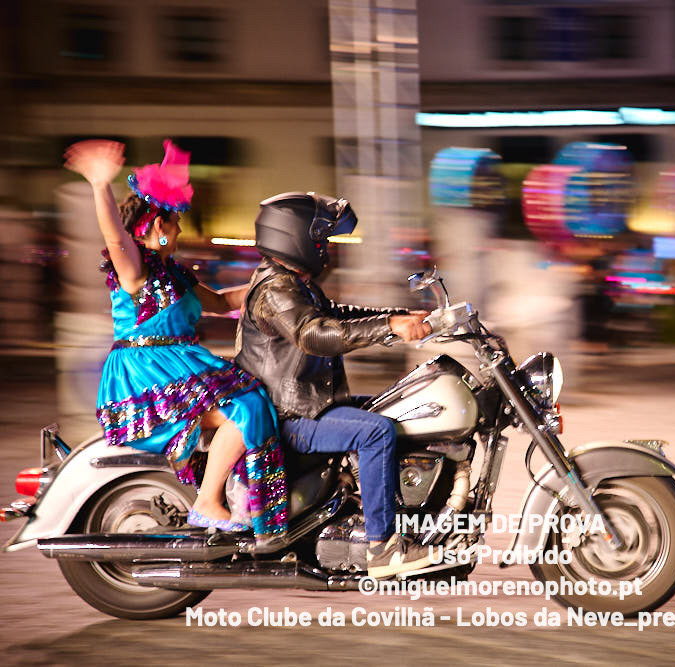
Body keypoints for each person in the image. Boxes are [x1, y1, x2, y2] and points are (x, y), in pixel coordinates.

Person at [63, 139, 288, 543]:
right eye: (175, 222)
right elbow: (115, 237)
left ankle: (234, 497)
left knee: (254, 405)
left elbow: (223, 302)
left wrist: (274, 282)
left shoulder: (176, 274)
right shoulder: (135, 270)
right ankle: (208, 502)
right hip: (146, 370)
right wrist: (99, 184)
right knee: (247, 408)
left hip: (179, 363)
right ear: (156, 227)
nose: (180, 229)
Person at [234, 191, 433, 578]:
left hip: (311, 401)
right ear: (294, 236)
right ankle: (381, 546)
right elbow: (314, 333)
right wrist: (388, 326)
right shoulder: (275, 289)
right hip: (290, 415)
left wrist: (399, 317)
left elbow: (337, 316)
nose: (325, 248)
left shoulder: (293, 283)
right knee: (376, 431)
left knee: (399, 406)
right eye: (321, 240)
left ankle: (387, 505)